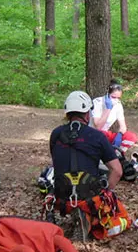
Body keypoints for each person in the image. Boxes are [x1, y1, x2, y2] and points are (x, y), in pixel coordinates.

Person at [49, 91, 128, 240]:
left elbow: (58, 163)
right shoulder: (97, 136)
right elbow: (117, 170)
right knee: (122, 217)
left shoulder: (56, 134)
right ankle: (91, 220)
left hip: (62, 198)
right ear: (87, 113)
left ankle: (79, 215)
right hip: (89, 199)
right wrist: (107, 192)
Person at [90, 80, 138, 152]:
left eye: (118, 98)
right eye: (113, 97)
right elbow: (98, 126)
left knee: (131, 137)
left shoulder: (118, 104)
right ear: (108, 94)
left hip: (105, 134)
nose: (116, 100)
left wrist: (120, 135)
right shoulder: (97, 102)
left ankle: (117, 152)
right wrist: (108, 109)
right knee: (101, 134)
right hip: (93, 133)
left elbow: (123, 126)